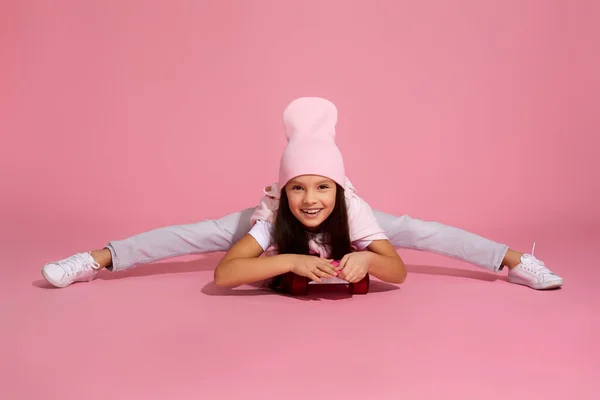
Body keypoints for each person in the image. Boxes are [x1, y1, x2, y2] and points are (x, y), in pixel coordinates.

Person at [41, 97, 564, 291]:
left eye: (321, 187)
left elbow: (398, 270)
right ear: (282, 190)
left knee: (422, 230)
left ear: (338, 189)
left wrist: (369, 265)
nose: (310, 198)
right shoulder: (272, 214)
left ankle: (515, 261)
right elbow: (225, 274)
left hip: (352, 225)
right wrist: (287, 255)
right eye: (298, 187)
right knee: (195, 235)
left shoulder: (352, 208)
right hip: (279, 234)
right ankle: (94, 260)